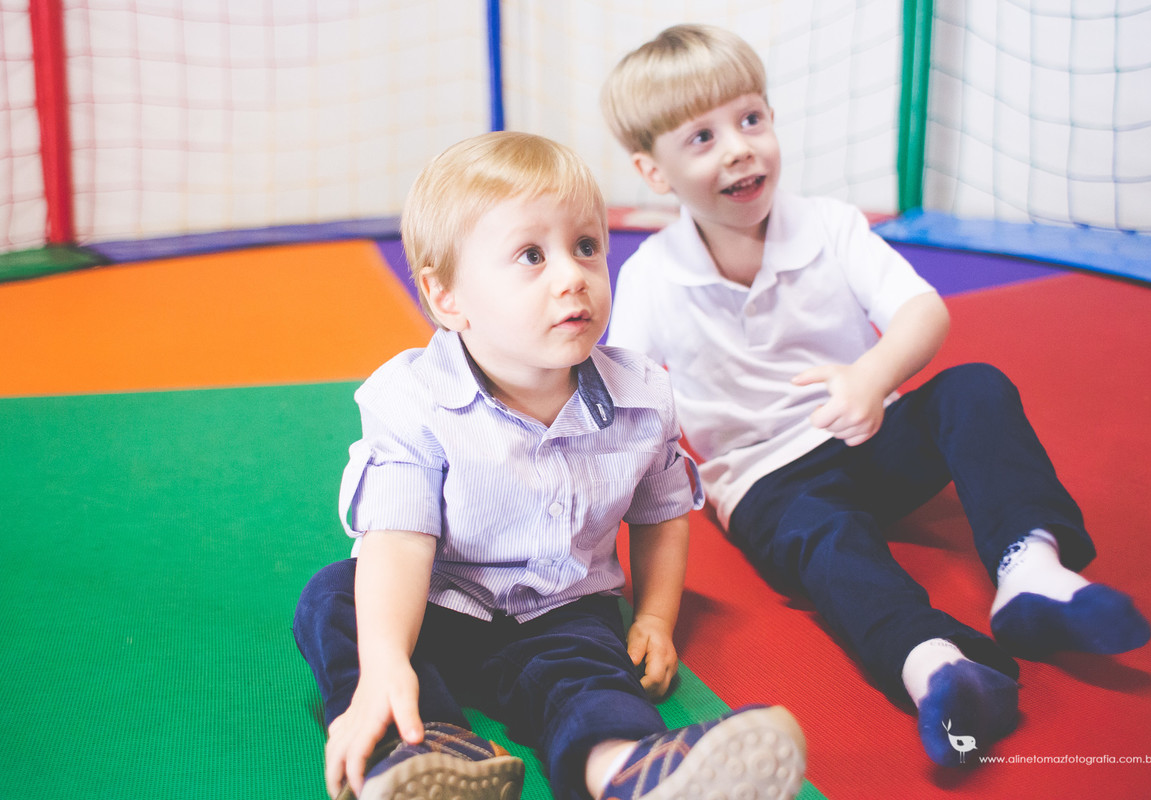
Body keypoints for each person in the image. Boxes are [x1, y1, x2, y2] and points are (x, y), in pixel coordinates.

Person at [600, 24, 1151, 767]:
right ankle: (932, 665)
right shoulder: (651, 279)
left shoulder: (827, 226)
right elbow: (623, 395)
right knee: (834, 550)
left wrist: (872, 377)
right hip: (766, 482)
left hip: (868, 430)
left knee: (975, 389)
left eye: (751, 119)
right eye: (702, 137)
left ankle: (1030, 568)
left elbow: (924, 312)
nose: (739, 147)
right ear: (653, 170)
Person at [292, 130, 807, 800]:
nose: (574, 276)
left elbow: (662, 515)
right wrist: (387, 660)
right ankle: (419, 748)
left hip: (563, 611)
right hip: (438, 602)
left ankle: (627, 770)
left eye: (587, 247)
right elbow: (397, 538)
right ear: (448, 297)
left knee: (589, 678)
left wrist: (653, 616)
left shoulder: (642, 396)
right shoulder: (415, 400)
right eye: (532, 256)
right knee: (336, 598)